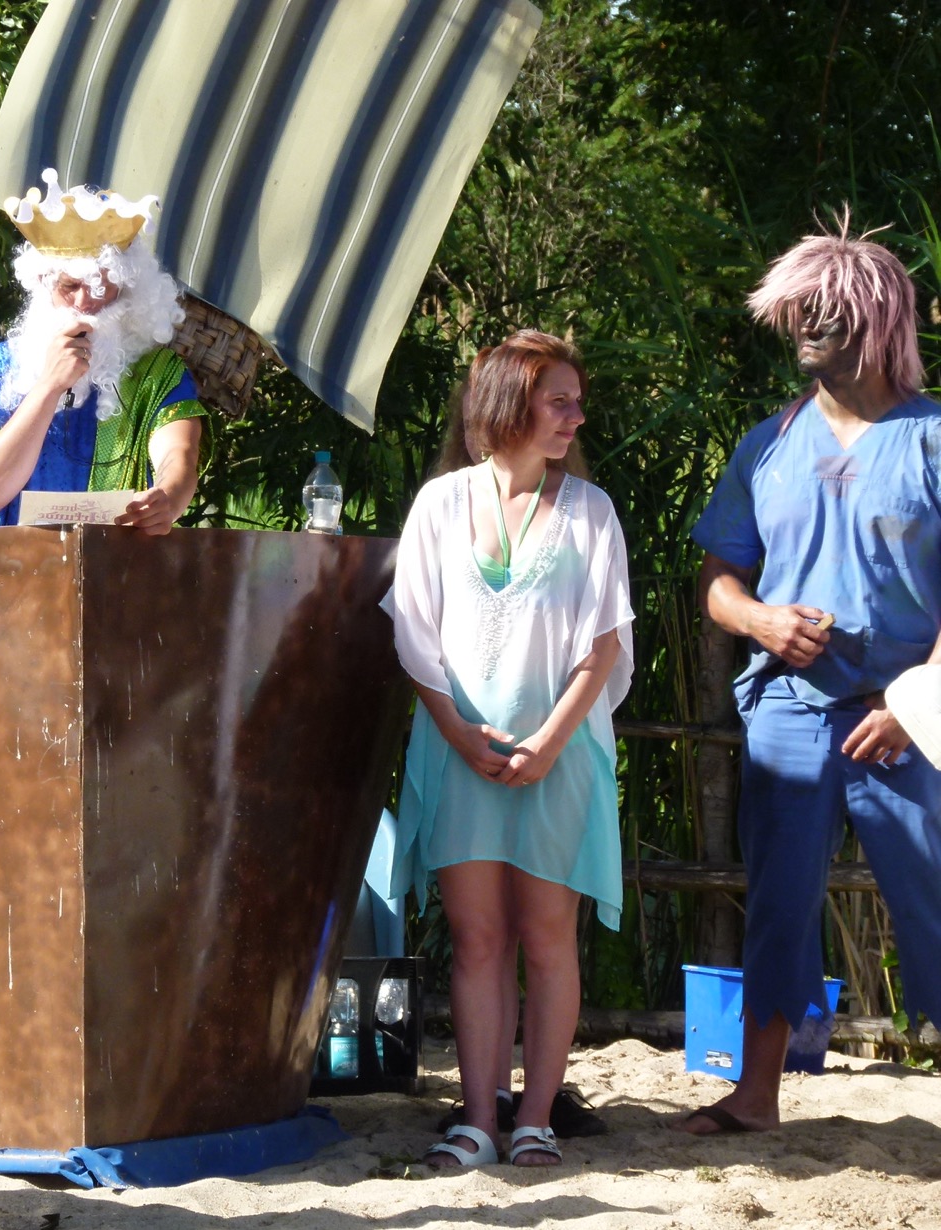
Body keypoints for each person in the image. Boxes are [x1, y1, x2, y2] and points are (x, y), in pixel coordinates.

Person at [679, 224, 941, 1136]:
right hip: (788, 711)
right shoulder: (767, 444)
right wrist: (760, 621)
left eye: (828, 310)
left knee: (933, 893)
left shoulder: (933, 439)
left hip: (909, 717)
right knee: (780, 902)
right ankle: (757, 1096)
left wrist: (914, 704)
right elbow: (719, 580)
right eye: (799, 310)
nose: (808, 326)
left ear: (878, 320)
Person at [389, 331, 633, 1168]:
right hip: (458, 754)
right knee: (477, 938)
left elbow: (602, 646)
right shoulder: (439, 505)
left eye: (576, 401)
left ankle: (535, 1118)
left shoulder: (591, 512)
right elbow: (413, 635)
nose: (576, 416)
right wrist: (458, 733)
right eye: (559, 401)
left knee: (547, 936)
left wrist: (548, 745)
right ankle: (477, 1122)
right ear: (508, 405)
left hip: (559, 757)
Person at [0, 168, 208, 532]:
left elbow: (179, 455)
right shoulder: (1, 365)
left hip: (122, 563)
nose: (84, 302)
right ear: (43, 284)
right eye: (70, 286)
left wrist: (167, 498)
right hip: (21, 564)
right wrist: (49, 385)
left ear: (128, 288)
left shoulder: (160, 371)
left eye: (102, 288)